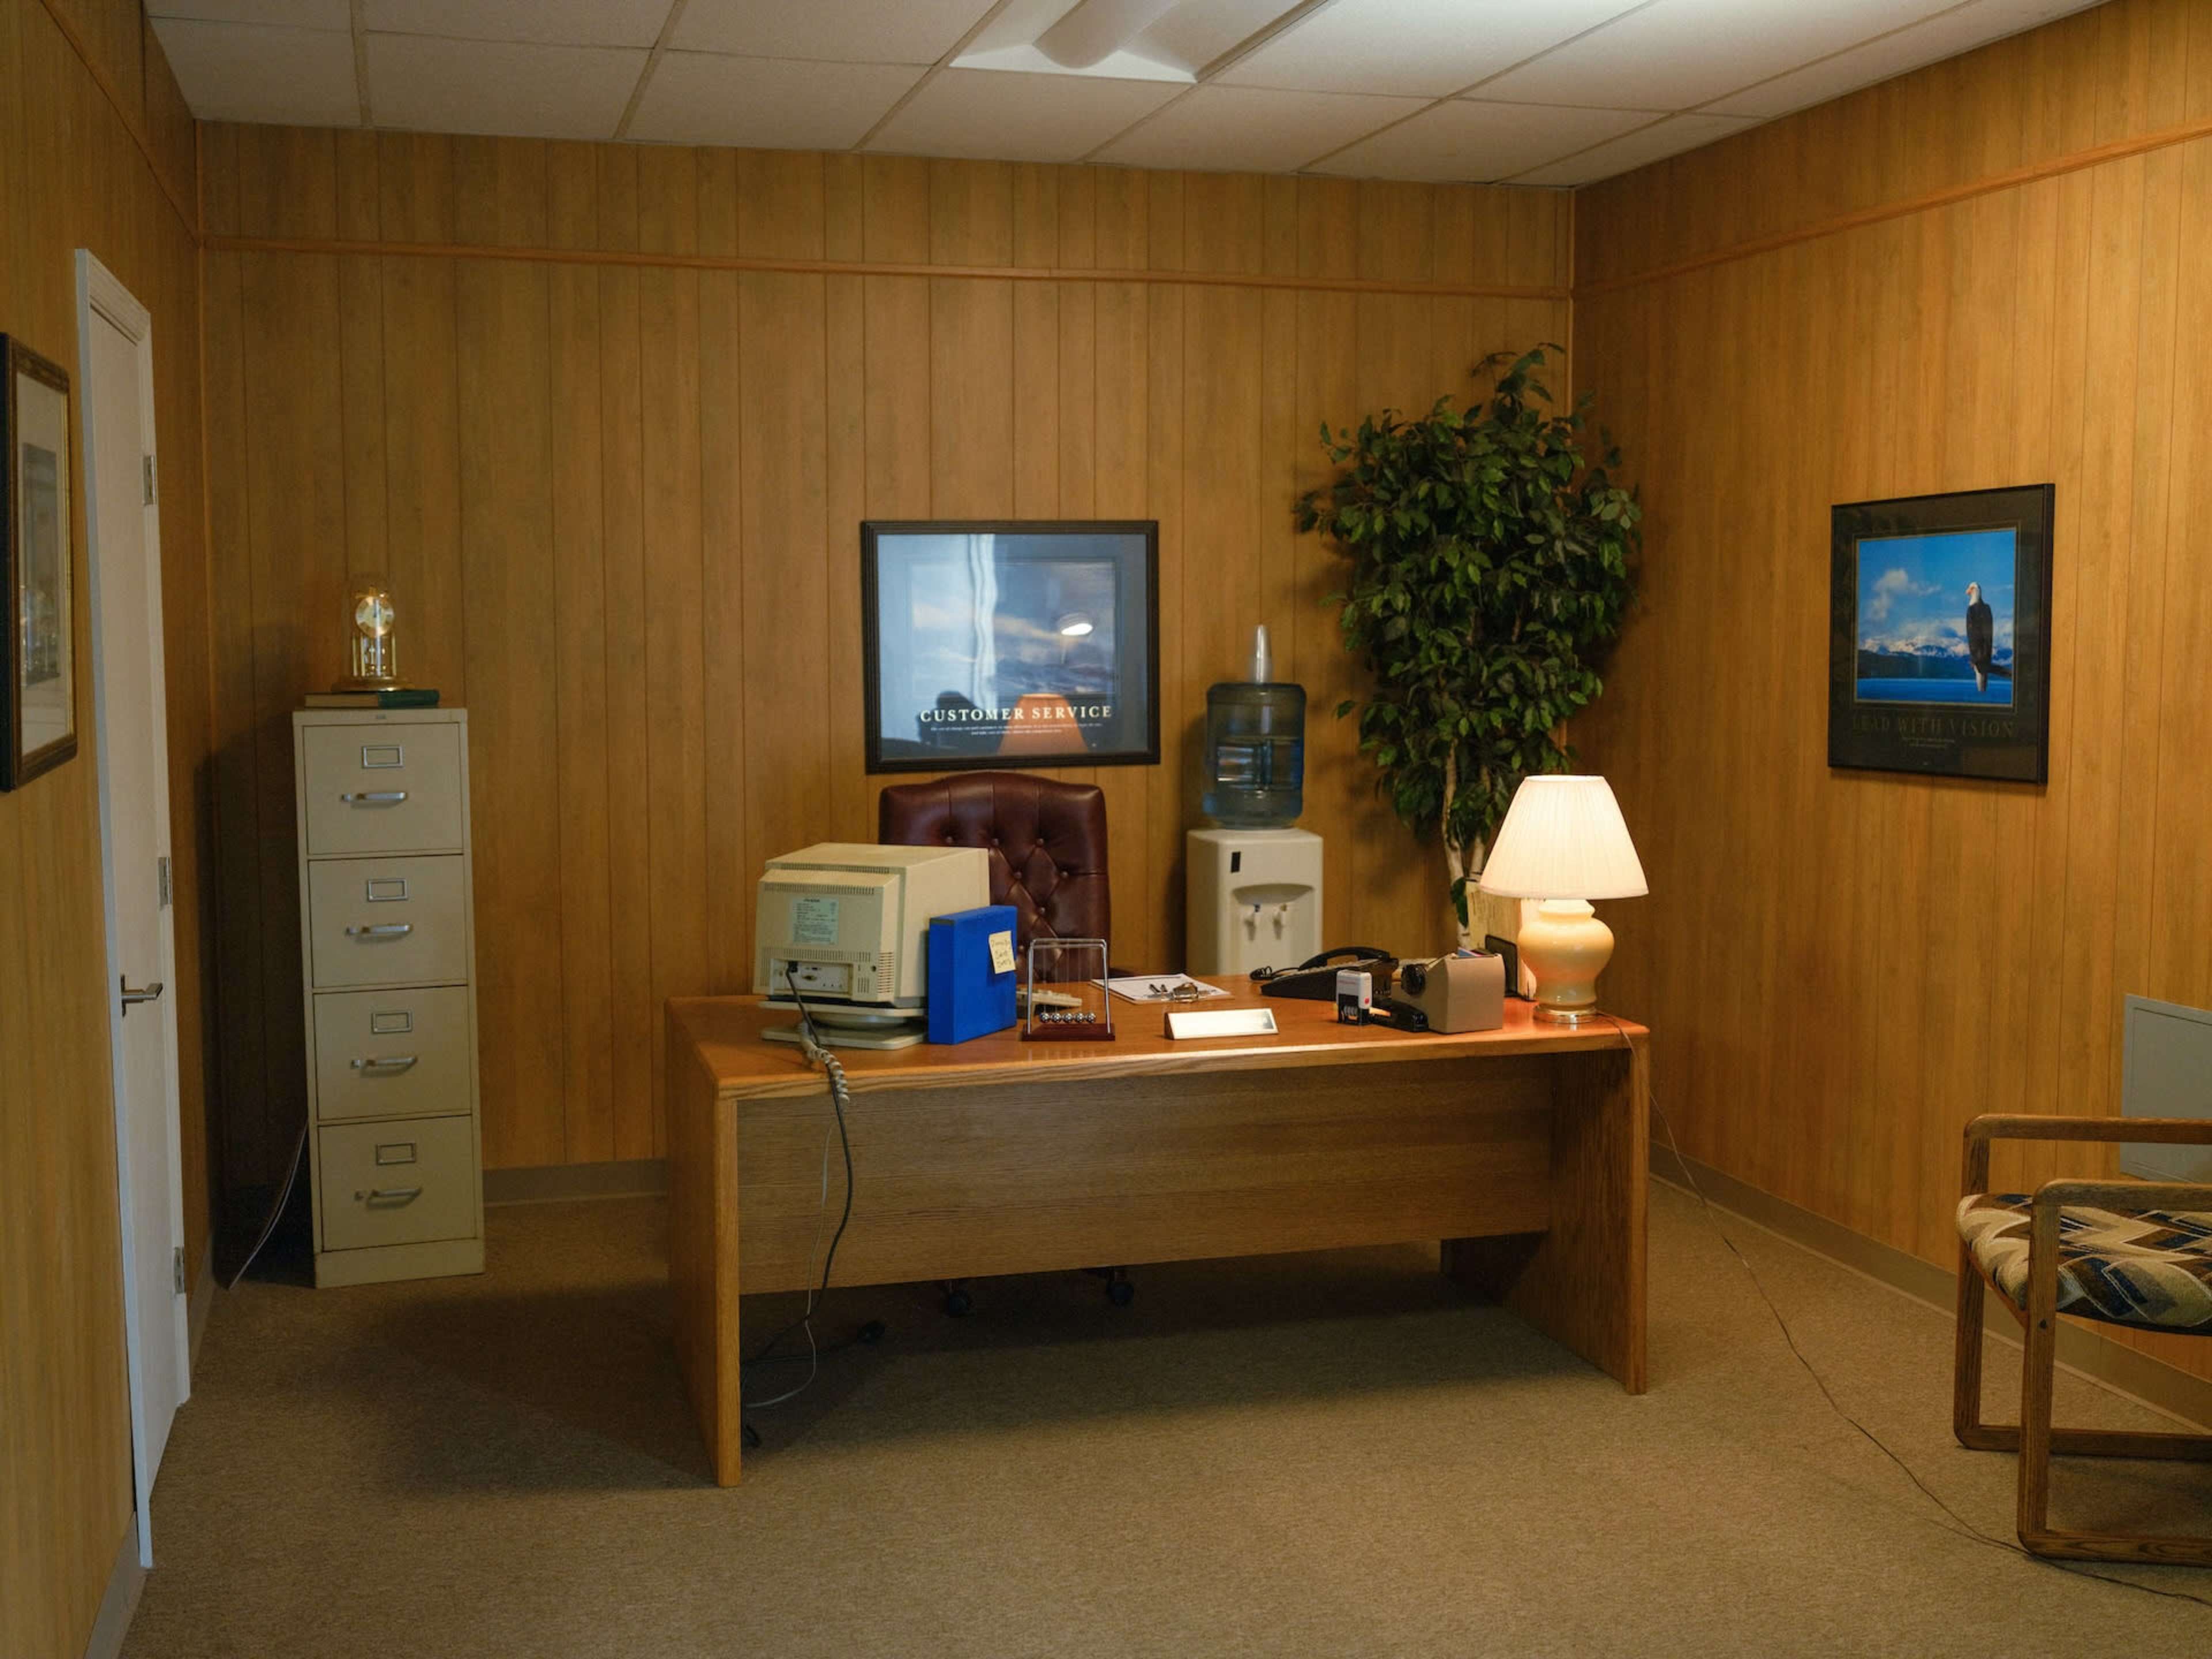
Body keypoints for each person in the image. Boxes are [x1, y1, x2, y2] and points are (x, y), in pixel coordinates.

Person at [1964, 581, 2008, 694]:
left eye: (1971, 589)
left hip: (1978, 657)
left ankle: (1981, 690)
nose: (1968, 591)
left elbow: (1972, 638)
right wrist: (1984, 658)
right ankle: (1982, 689)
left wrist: (1975, 659)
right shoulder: (1987, 609)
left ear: (1975, 591)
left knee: (1981, 686)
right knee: (1982, 685)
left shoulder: (1971, 611)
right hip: (1985, 656)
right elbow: (1989, 637)